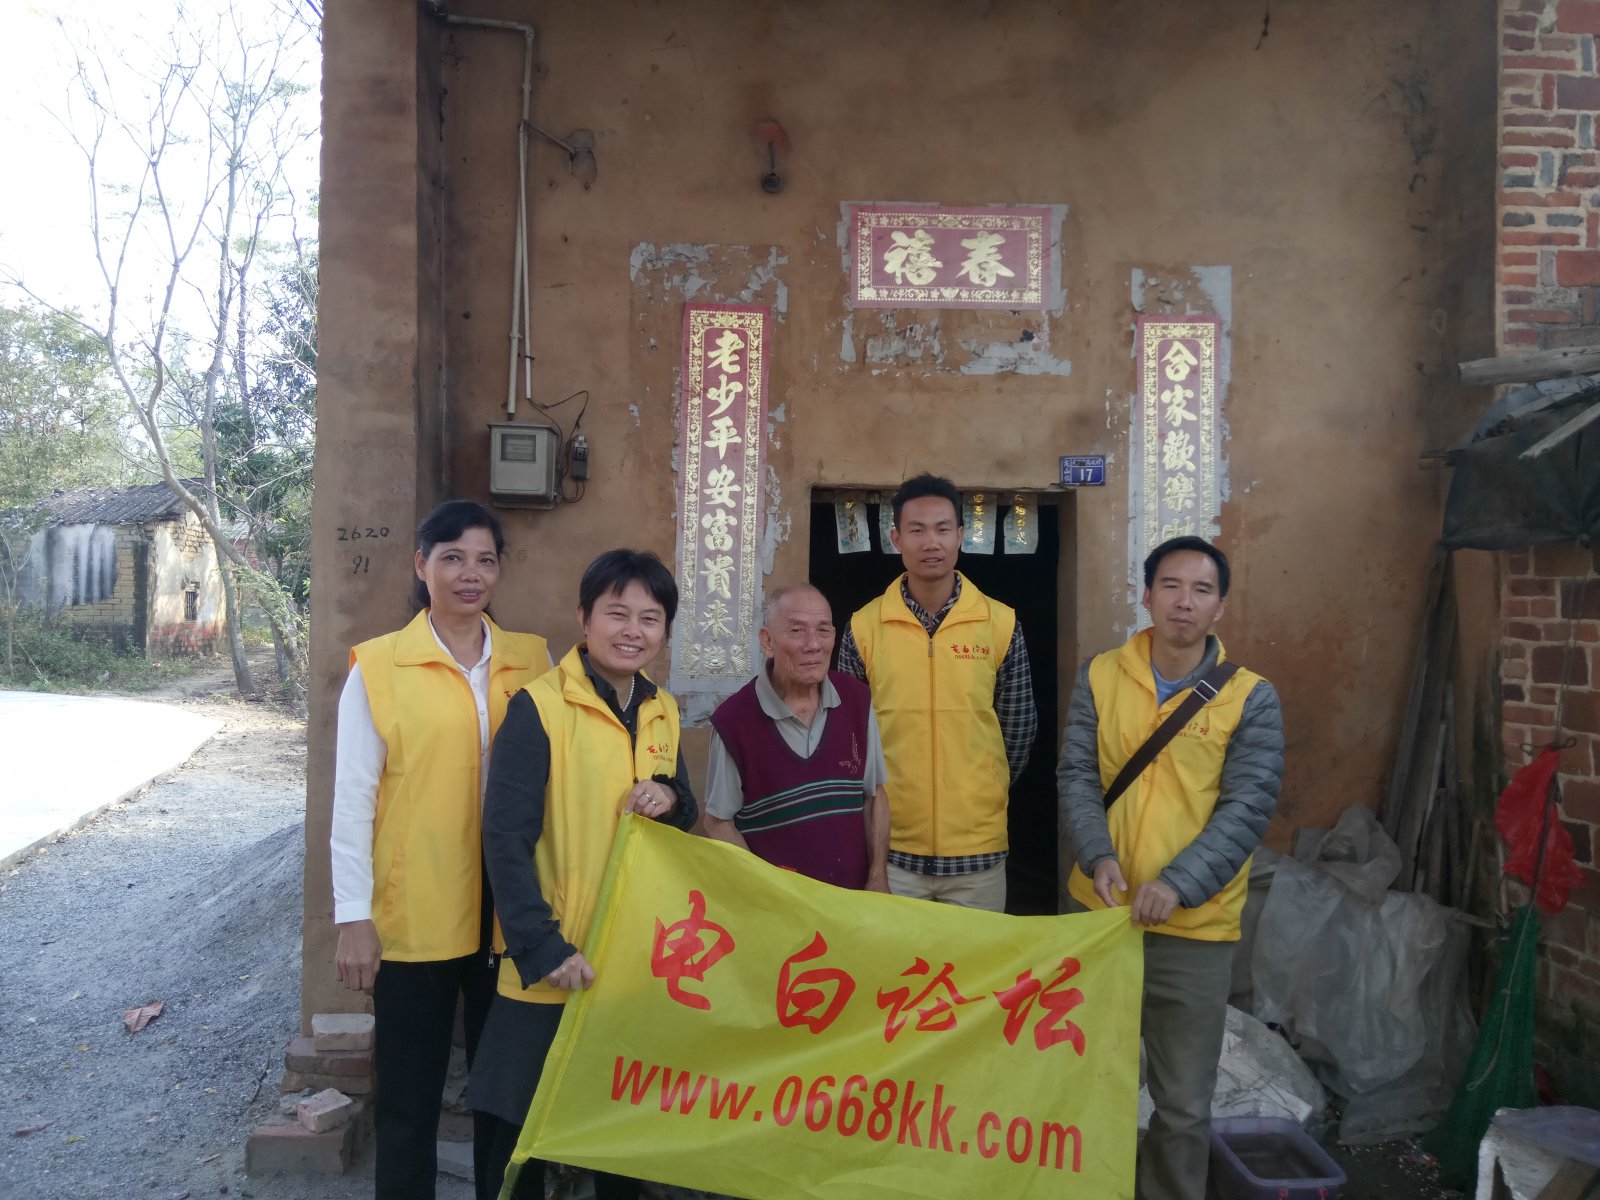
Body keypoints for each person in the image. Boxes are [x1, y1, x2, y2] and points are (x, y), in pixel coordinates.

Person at [330, 500, 552, 1200]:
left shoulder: (532, 659)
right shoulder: (379, 667)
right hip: (415, 909)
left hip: (511, 912)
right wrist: (352, 916)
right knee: (409, 1100)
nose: (470, 574)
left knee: (506, 1098)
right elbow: (353, 798)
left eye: (485, 559)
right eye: (452, 558)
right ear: (421, 565)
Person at [1057, 536, 1284, 1200]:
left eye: (1202, 590)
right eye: (1172, 586)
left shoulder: (1250, 697)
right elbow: (1077, 773)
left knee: (1182, 1105)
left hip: (1195, 932)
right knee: (1088, 1083)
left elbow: (1248, 806)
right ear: (1147, 594)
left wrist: (1180, 883)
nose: (1185, 601)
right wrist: (1097, 854)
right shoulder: (1100, 674)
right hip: (1098, 919)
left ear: (1220, 607)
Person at [470, 549, 698, 1200]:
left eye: (650, 618)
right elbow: (504, 839)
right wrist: (542, 947)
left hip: (628, 963)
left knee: (613, 1136)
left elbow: (682, 807)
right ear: (584, 617)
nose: (633, 631)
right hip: (553, 959)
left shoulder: (661, 708)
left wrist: (670, 797)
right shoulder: (539, 707)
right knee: (515, 1136)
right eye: (617, 613)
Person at [836, 473, 1037, 912]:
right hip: (890, 854)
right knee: (893, 958)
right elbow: (848, 739)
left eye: (943, 529)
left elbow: (1018, 732)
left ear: (961, 535)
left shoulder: (1000, 623)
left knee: (978, 959)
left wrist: (982, 784)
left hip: (977, 852)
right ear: (896, 539)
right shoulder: (864, 627)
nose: (932, 542)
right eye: (917, 530)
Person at [703, 583, 890, 890]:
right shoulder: (734, 721)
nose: (813, 645)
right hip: (779, 908)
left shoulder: (856, 700)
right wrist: (771, 890)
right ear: (767, 641)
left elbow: (874, 797)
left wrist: (878, 876)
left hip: (852, 904)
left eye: (823, 630)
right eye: (797, 631)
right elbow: (718, 823)